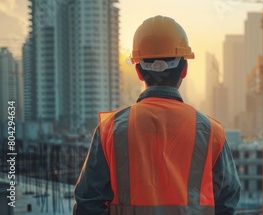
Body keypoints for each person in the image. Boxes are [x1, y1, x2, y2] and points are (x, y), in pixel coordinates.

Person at [73, 15, 241, 215]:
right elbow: (227, 200)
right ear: (184, 69)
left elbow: (88, 204)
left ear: (138, 71)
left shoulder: (109, 130)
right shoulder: (211, 132)